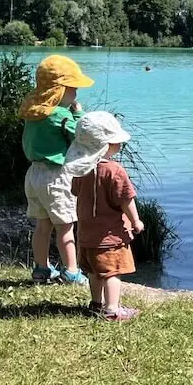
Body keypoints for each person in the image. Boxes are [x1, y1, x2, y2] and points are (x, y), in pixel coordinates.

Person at [19, 55, 93, 285]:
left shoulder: (33, 111)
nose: (76, 94)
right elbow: (80, 136)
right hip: (56, 176)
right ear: (59, 90)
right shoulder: (60, 115)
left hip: (34, 174)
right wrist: (78, 113)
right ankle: (71, 271)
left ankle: (41, 268)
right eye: (72, 89)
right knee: (65, 227)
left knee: (43, 226)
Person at [66, 111, 144, 322]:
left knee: (94, 271)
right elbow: (126, 199)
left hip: (86, 234)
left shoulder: (81, 169)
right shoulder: (115, 171)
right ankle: (112, 310)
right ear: (105, 145)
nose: (119, 145)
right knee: (112, 272)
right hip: (110, 235)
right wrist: (136, 221)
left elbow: (75, 191)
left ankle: (96, 304)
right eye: (115, 142)